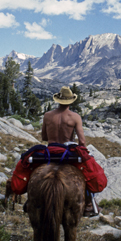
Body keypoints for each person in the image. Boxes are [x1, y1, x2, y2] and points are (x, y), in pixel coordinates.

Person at [41, 86, 101, 216]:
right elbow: (82, 142)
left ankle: (30, 200)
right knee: (87, 172)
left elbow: (44, 137)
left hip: (50, 152)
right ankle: (89, 203)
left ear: (58, 100)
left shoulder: (47, 115)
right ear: (70, 101)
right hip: (67, 153)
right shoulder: (75, 117)